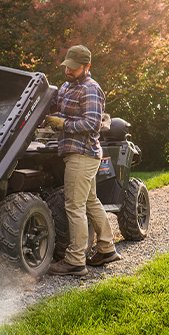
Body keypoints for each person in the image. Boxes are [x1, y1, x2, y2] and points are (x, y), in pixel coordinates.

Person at [46, 45, 121, 276]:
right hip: (75, 153)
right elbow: (58, 108)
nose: (69, 71)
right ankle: (107, 248)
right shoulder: (66, 86)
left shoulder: (91, 89)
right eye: (67, 66)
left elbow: (92, 124)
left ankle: (76, 260)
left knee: (74, 206)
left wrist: (63, 124)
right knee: (90, 202)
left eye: (74, 68)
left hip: (82, 154)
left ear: (87, 66)